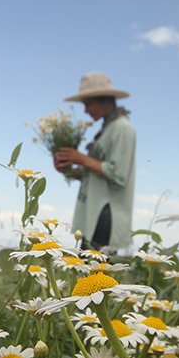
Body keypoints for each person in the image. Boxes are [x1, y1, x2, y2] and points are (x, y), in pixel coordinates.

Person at [53, 72, 136, 253]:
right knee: (87, 271)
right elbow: (94, 176)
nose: (85, 110)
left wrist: (81, 158)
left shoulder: (123, 128)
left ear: (105, 100)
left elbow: (118, 173)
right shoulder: (107, 130)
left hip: (107, 213)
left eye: (88, 104)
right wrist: (68, 170)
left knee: (97, 273)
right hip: (93, 212)